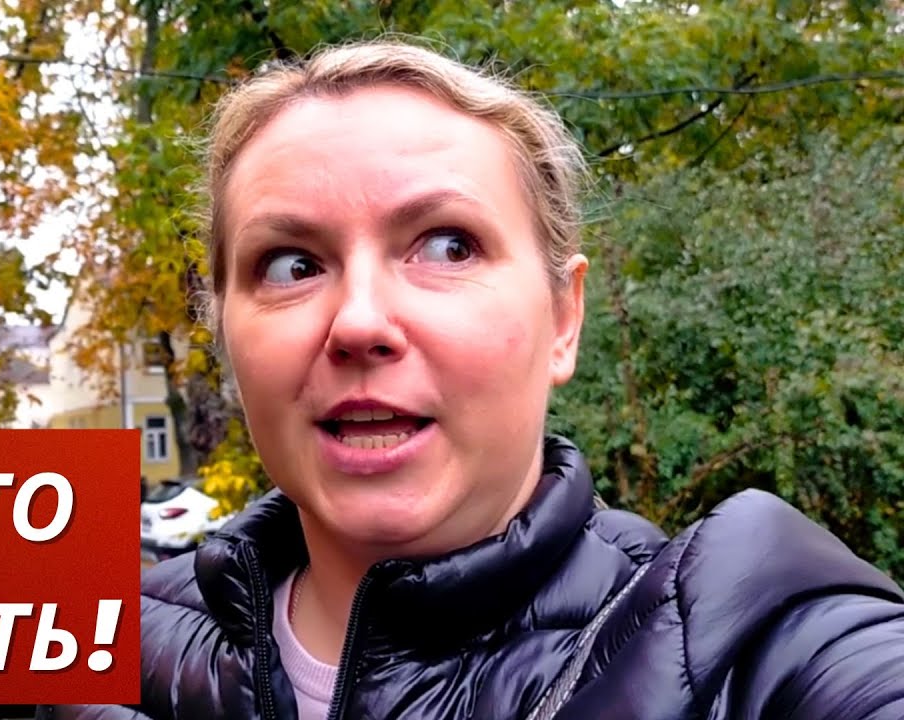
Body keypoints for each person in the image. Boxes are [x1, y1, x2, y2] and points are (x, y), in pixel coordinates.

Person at [46, 39, 904, 719]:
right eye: (291, 264)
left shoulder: (749, 635)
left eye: (448, 246)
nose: (360, 323)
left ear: (563, 317)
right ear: (223, 328)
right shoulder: (87, 636)